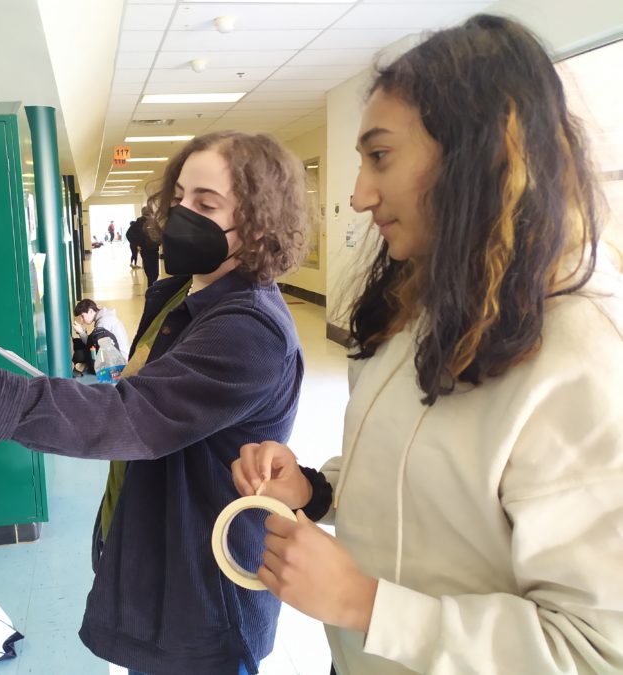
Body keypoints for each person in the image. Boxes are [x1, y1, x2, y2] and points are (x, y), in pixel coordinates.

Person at [232, 14, 623, 675]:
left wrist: (365, 604)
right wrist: (317, 491)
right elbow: (424, 488)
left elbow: (595, 649)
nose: (357, 195)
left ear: (479, 154)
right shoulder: (426, 307)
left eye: (380, 156)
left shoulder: (583, 357)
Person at [0, 130, 311, 675]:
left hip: (202, 596)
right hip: (155, 552)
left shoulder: (250, 329)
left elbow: (132, 417)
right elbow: (140, 395)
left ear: (260, 224)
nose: (182, 215)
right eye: (179, 198)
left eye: (207, 204)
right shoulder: (181, 292)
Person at [70, 298, 130, 374]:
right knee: (78, 342)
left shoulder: (104, 323)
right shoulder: (105, 317)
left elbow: (94, 346)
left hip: (118, 362)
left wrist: (81, 332)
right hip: (116, 354)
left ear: (91, 311)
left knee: (78, 355)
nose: (82, 320)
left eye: (82, 316)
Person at [137, 205, 162, 286]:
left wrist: (139, 243)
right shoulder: (145, 222)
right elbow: (160, 234)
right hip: (151, 250)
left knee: (150, 272)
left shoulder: (142, 222)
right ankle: (151, 288)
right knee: (153, 273)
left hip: (148, 250)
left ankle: (151, 287)